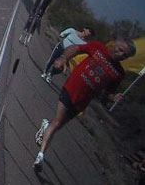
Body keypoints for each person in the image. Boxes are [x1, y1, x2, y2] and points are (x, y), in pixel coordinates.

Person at [33, 38, 137, 172]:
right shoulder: (98, 48)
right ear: (115, 44)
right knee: (57, 123)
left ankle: (46, 126)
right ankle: (40, 157)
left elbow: (108, 93)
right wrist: (64, 58)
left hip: (82, 101)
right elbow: (76, 48)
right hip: (71, 88)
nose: (121, 54)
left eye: (125, 55)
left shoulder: (119, 73)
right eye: (121, 50)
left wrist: (114, 97)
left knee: (58, 125)